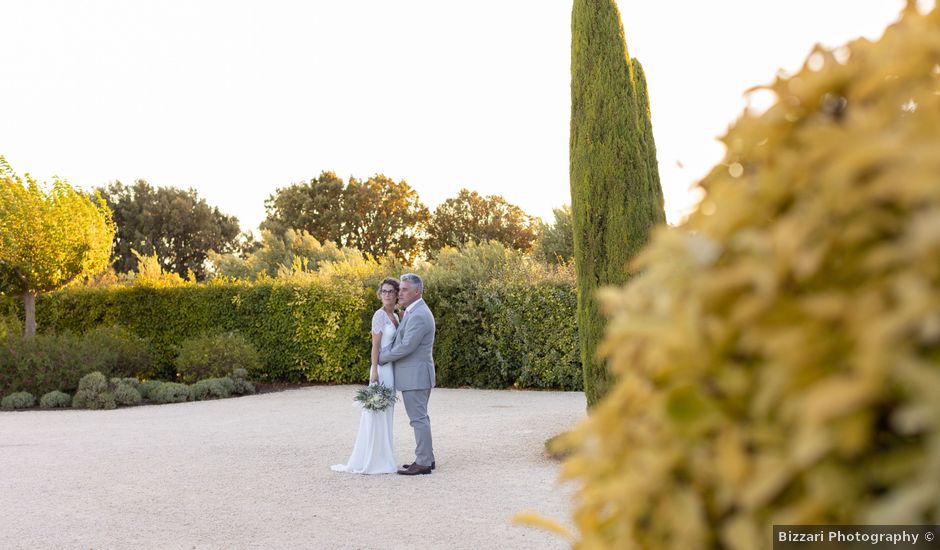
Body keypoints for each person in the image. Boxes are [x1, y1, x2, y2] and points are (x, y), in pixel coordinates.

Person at [330, 278, 400, 474]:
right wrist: (374, 371)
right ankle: (373, 460)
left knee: (388, 412)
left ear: (396, 295)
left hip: (392, 369)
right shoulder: (379, 316)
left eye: (390, 291)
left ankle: (386, 457)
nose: (386, 294)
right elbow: (375, 346)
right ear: (380, 294)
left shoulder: (396, 316)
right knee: (376, 412)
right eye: (384, 291)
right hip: (381, 369)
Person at [380, 273, 436, 475]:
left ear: (417, 291)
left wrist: (382, 357)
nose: (399, 292)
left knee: (418, 419)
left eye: (404, 289)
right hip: (417, 375)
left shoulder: (419, 314)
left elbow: (406, 346)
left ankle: (423, 463)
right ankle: (427, 458)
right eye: (400, 289)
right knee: (421, 418)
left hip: (416, 376)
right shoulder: (413, 311)